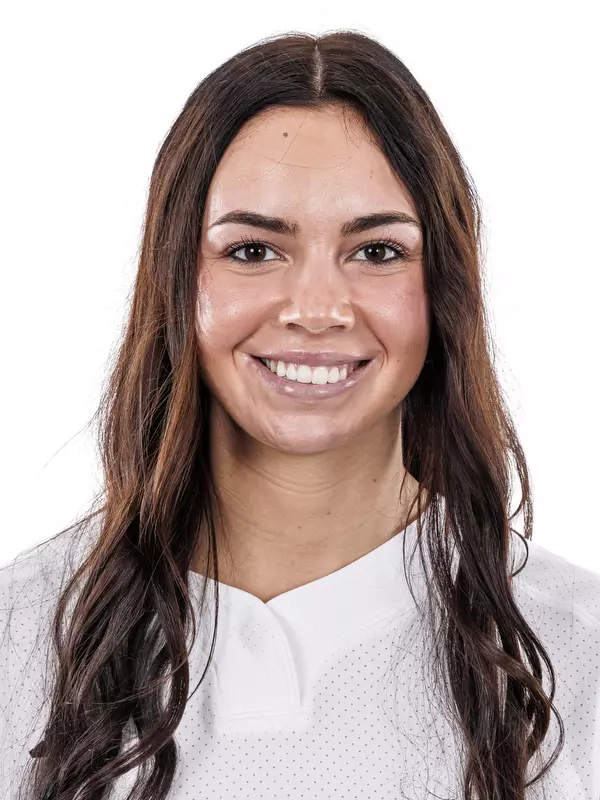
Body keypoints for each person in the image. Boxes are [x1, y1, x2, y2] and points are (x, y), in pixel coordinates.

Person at [2, 30, 599, 800]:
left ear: (443, 287)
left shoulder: (576, 652)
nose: (316, 310)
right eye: (253, 251)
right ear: (177, 280)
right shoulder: (24, 634)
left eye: (377, 251)